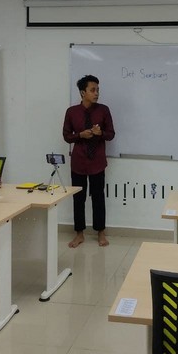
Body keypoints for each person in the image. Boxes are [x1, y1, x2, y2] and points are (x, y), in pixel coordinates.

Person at [62, 75, 115, 248]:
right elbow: (66, 136)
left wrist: (100, 133)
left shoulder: (103, 110)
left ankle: (101, 233)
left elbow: (111, 134)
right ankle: (79, 234)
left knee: (98, 198)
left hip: (97, 162)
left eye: (98, 90)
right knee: (79, 198)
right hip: (79, 162)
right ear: (83, 92)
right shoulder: (72, 112)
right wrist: (80, 135)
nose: (96, 93)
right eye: (93, 90)